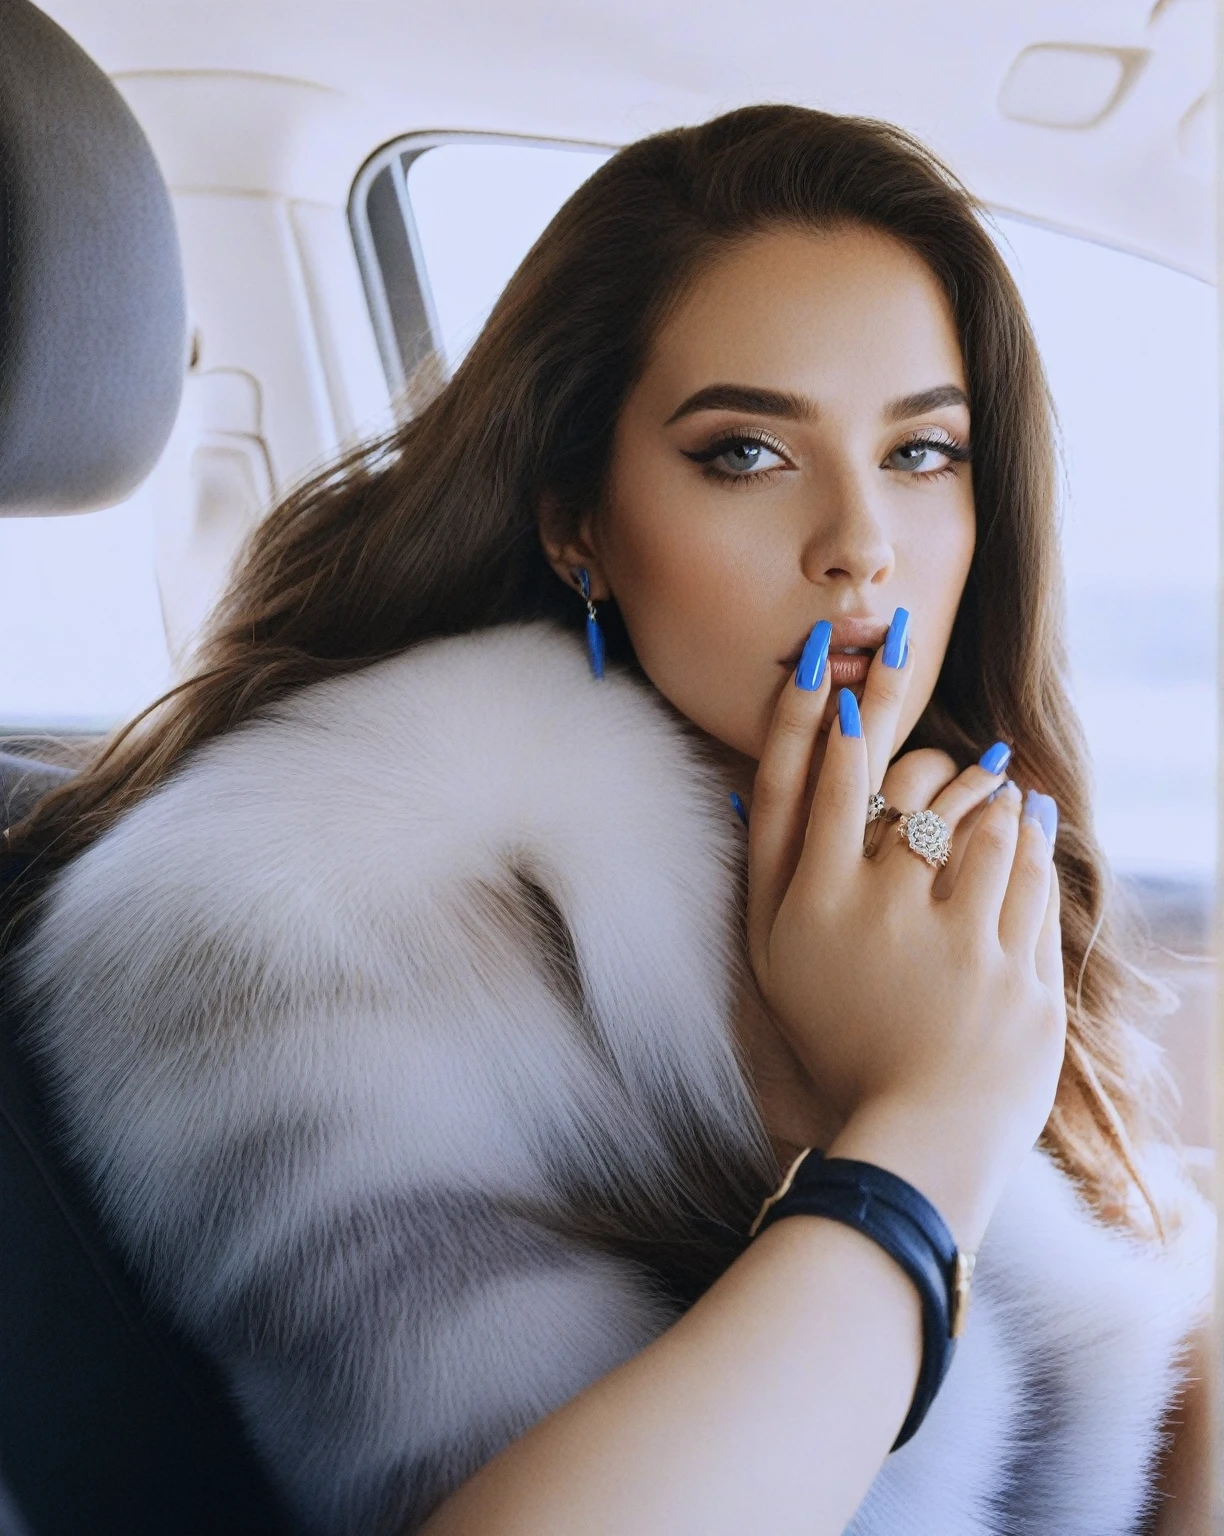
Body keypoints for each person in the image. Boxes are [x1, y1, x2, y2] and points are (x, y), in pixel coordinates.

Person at [5, 105, 1212, 1536]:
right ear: (580, 520)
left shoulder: (907, 878)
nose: (860, 545)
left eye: (922, 453)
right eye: (747, 454)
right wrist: (926, 1135)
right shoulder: (304, 916)